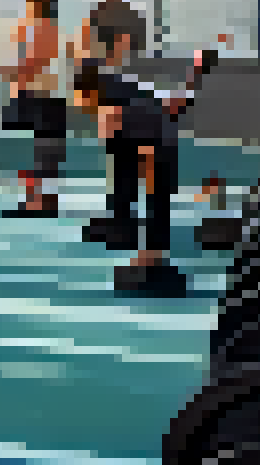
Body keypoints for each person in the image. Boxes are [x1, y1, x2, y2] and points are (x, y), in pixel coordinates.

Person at [74, 21, 197, 290]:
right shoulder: (122, 91)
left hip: (157, 141)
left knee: (149, 189)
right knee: (149, 191)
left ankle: (147, 254)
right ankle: (148, 251)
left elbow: (136, 136)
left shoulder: (111, 102)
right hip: (159, 138)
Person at [2, 0, 66, 217]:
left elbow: (35, 63)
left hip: (41, 99)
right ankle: (33, 199)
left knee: (42, 151)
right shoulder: (27, 29)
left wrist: (11, 72)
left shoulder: (46, 30)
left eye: (30, 3)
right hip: (29, 97)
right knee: (30, 151)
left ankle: (41, 201)